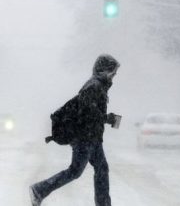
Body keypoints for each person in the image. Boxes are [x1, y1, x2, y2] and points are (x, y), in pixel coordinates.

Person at [29, 54, 120, 206]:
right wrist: (107, 118)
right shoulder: (93, 86)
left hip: (93, 138)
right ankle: (39, 190)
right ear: (104, 71)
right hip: (84, 138)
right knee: (75, 171)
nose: (115, 75)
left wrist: (104, 119)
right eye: (113, 72)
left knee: (102, 169)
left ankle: (103, 204)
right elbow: (87, 112)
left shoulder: (99, 86)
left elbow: (91, 111)